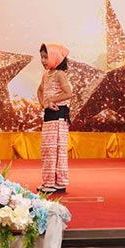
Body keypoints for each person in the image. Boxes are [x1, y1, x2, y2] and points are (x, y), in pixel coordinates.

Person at [37, 43, 73, 194]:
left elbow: (68, 93)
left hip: (59, 117)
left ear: (56, 57)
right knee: (47, 150)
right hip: (49, 116)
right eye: (42, 57)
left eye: (46, 57)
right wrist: (44, 104)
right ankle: (50, 181)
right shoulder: (46, 74)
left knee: (56, 150)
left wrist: (52, 99)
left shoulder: (60, 74)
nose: (43, 61)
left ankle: (57, 183)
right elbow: (39, 91)